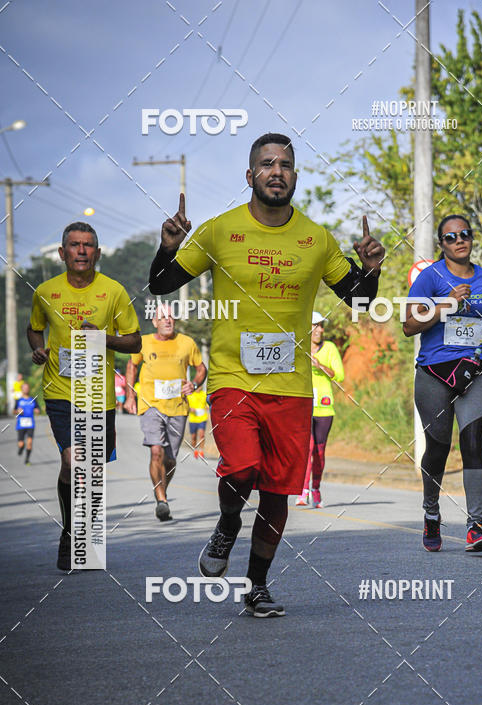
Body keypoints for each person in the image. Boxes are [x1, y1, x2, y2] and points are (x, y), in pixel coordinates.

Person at [148, 132, 384, 616]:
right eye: (267, 164)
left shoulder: (315, 238)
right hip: (234, 379)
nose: (277, 171)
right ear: (250, 175)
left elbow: (358, 299)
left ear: (294, 176)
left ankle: (256, 585)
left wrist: (371, 268)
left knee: (277, 490)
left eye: (286, 165)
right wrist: (167, 246)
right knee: (241, 467)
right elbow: (161, 284)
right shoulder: (219, 231)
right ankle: (228, 522)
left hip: (292, 388)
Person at [28, 222, 141, 570]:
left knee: (92, 469)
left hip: (98, 394)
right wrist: (38, 350)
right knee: (71, 460)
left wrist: (105, 337)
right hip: (61, 391)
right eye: (74, 245)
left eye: (88, 245)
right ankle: (69, 532)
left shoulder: (114, 292)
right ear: (62, 253)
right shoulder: (45, 291)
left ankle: (84, 530)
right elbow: (35, 329)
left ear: (98, 253)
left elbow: (135, 341)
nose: (81, 251)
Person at [404, 214, 482, 552]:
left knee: (473, 442)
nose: (460, 240)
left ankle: (476, 526)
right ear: (441, 244)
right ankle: (432, 513)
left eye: (465, 234)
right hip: (434, 374)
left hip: (477, 370)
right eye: (451, 237)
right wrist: (447, 304)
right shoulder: (431, 278)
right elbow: (409, 324)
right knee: (439, 448)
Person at [125, 304, 206, 521]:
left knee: (170, 460)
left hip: (178, 407)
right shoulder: (144, 342)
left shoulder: (186, 343)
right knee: (156, 451)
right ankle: (162, 500)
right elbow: (132, 366)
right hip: (151, 404)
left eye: (170, 316)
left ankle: (160, 489)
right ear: (154, 322)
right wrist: (130, 396)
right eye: (162, 317)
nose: (167, 320)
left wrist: (195, 384)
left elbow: (201, 368)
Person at [296, 311, 344, 508]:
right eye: (316, 325)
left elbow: (339, 376)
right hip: (303, 406)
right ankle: (303, 491)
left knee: (319, 451)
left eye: (321, 325)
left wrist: (320, 365)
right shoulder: (298, 348)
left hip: (324, 407)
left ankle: (316, 489)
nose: (320, 330)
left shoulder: (330, 348)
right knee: (306, 449)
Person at [14, 382, 40, 464]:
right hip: (21, 424)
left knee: (29, 442)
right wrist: (18, 411)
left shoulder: (33, 399)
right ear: (22, 389)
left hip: (30, 424)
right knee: (21, 444)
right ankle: (21, 448)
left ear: (29, 389)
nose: (26, 389)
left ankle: (27, 460)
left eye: (27, 388)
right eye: (24, 388)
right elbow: (14, 411)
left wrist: (37, 410)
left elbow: (37, 409)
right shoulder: (18, 400)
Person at [187, 382, 209, 458]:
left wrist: (207, 406)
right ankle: (195, 450)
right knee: (193, 437)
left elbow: (208, 403)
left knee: (201, 435)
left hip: (202, 417)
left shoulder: (204, 394)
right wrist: (190, 409)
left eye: (201, 386)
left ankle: (201, 451)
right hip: (193, 419)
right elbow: (186, 406)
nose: (199, 388)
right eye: (198, 386)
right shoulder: (190, 395)